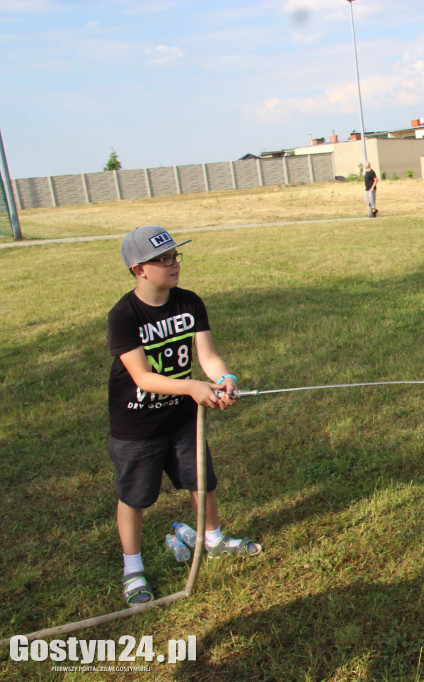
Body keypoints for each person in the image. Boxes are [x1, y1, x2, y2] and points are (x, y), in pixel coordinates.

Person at [108, 225, 261, 605]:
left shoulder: (190, 302)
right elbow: (142, 376)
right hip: (137, 426)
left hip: (181, 419)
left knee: (201, 480)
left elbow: (206, 355)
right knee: (136, 497)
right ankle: (133, 569)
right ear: (138, 270)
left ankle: (212, 538)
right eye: (163, 259)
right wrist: (193, 387)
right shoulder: (124, 315)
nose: (173, 264)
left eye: (175, 256)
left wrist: (223, 377)